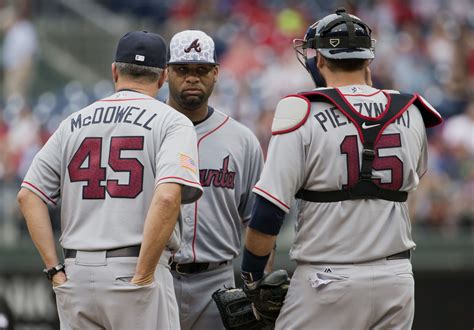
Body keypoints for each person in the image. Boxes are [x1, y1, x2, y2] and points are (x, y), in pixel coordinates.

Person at [241, 8, 443, 330]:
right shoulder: (412, 109)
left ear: (319, 59)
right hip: (397, 278)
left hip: (327, 278)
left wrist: (251, 278)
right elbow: (414, 179)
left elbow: (267, 212)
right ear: (368, 59)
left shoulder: (301, 109)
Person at [17, 30, 203, 330]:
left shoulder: (73, 122)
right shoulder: (172, 121)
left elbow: (28, 196)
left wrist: (55, 271)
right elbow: (168, 197)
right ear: (163, 77)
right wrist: (143, 275)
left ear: (115, 71)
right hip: (134, 267)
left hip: (76, 274)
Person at [166, 29, 264, 329]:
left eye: (201, 70)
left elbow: (257, 222)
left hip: (217, 282)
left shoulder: (242, 140)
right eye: (182, 69)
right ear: (166, 73)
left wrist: (256, 292)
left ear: (216, 73)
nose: (192, 78)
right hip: (155, 275)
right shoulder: (148, 133)